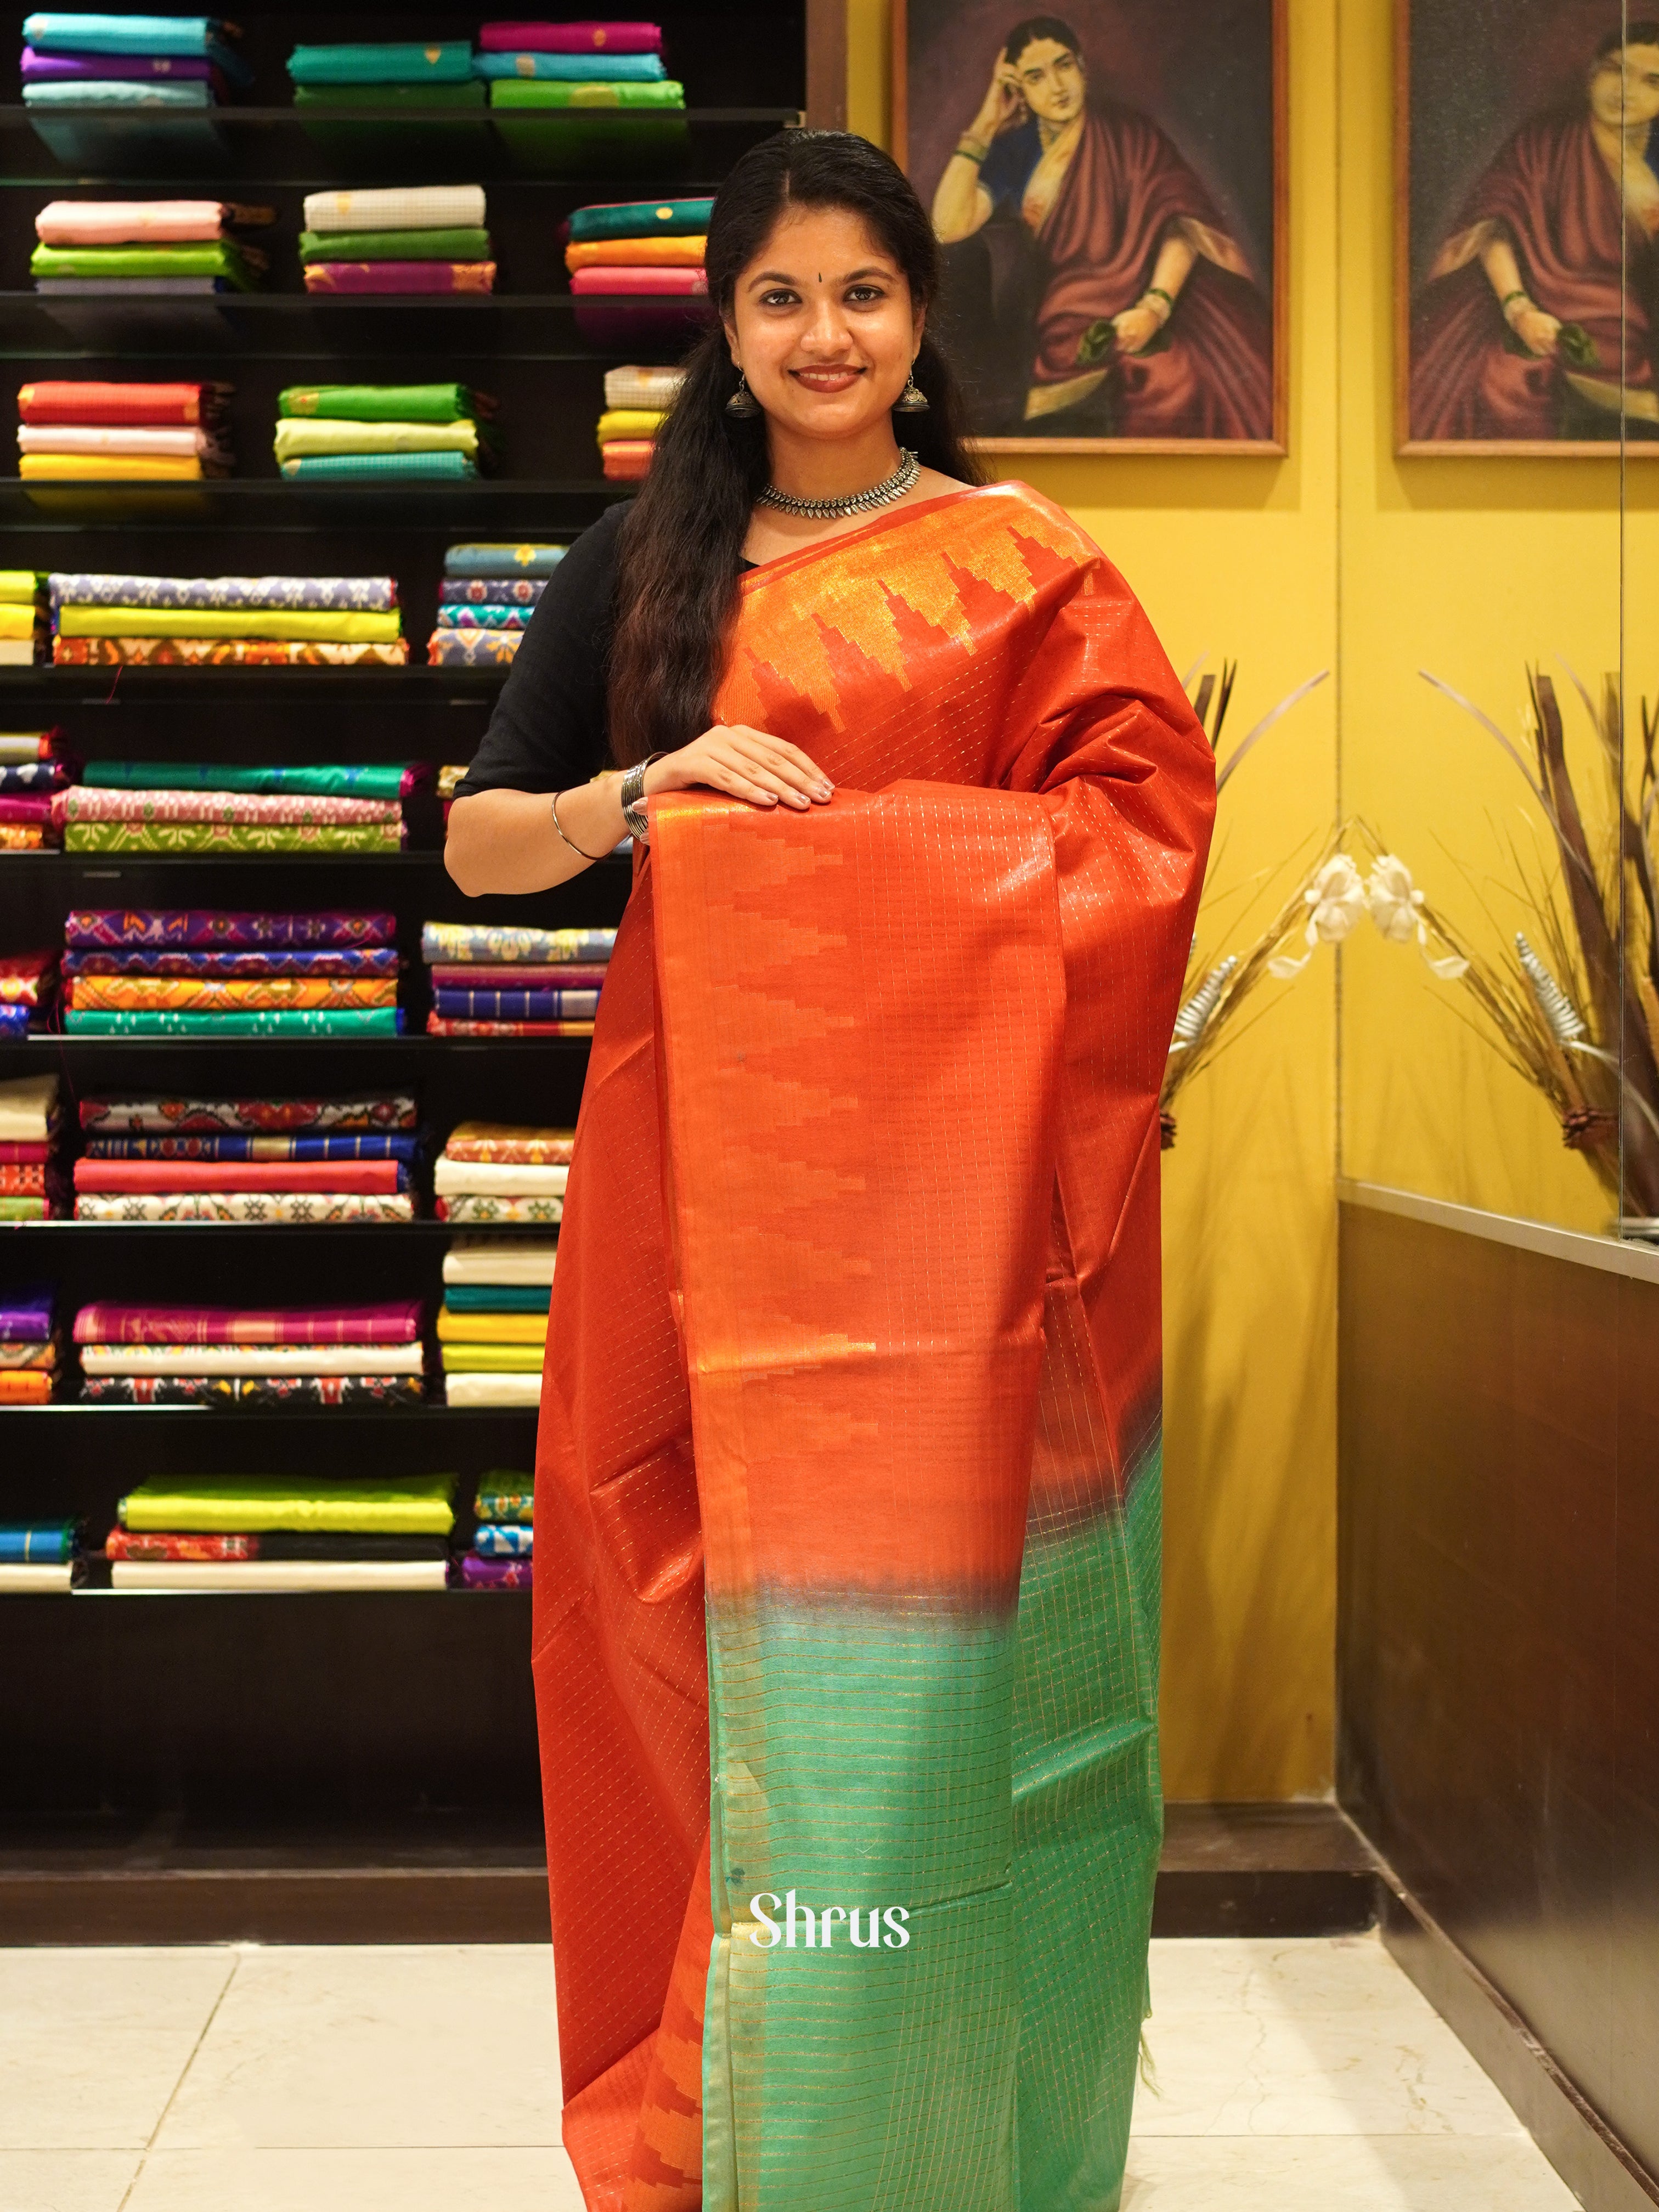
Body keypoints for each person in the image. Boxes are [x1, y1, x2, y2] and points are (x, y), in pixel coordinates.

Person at [446, 128, 1213, 2212]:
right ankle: (729, 2116)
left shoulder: (1019, 562)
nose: (819, 334)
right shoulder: (640, 564)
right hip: (694, 1192)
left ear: (915, 316)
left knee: (960, 1660)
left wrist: (859, 885)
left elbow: (1134, 831)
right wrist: (649, 784)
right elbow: (476, 839)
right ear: (722, 322)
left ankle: (953, 2123)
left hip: (951, 1231)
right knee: (671, 1619)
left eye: (857, 292)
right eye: (776, 296)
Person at [930, 13, 1273, 437]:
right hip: (1055, 328)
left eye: (1063, 66)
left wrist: (1153, 308)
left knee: (1173, 379)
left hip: (1146, 307)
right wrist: (985, 123)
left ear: (1082, 68)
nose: (1056, 86)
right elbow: (947, 227)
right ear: (1016, 89)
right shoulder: (1015, 151)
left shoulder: (1130, 137)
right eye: (1036, 77)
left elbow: (1181, 226)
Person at [1410, 24, 1659, 442]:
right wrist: (1519, 308)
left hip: (1634, 318)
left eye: (1651, 81)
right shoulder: (1546, 142)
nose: (1625, 91)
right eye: (1615, 70)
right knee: (1508, 381)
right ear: (1592, 74)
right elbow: (1492, 227)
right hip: (1547, 309)